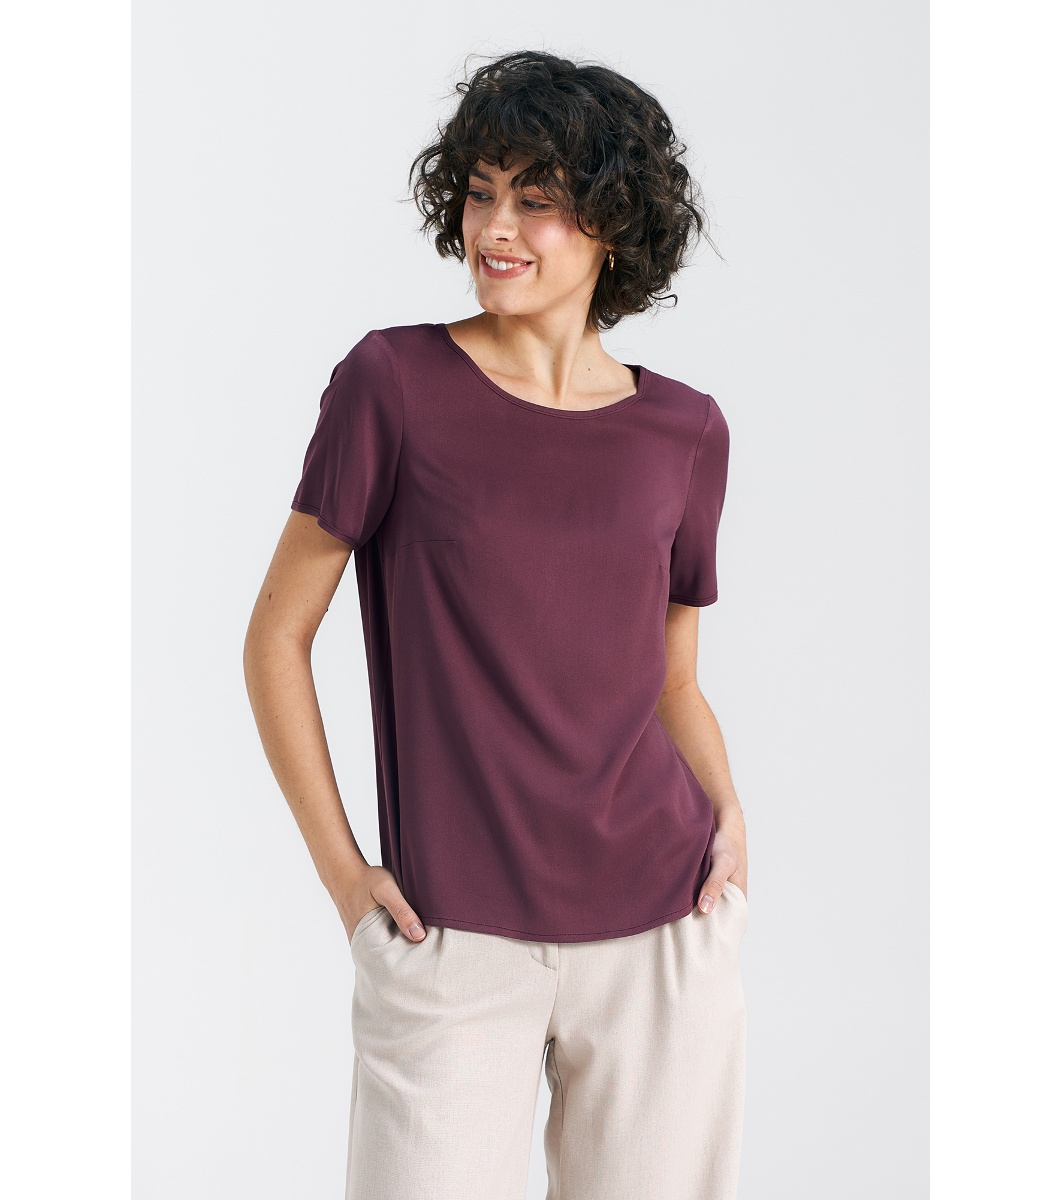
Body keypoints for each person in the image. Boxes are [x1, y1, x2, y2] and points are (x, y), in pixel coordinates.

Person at [244, 48, 750, 1200]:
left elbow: (674, 680)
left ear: (613, 222)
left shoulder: (686, 432)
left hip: (662, 930)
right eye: (480, 193)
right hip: (451, 940)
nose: (496, 227)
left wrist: (730, 821)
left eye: (537, 198)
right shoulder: (392, 386)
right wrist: (346, 880)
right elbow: (275, 639)